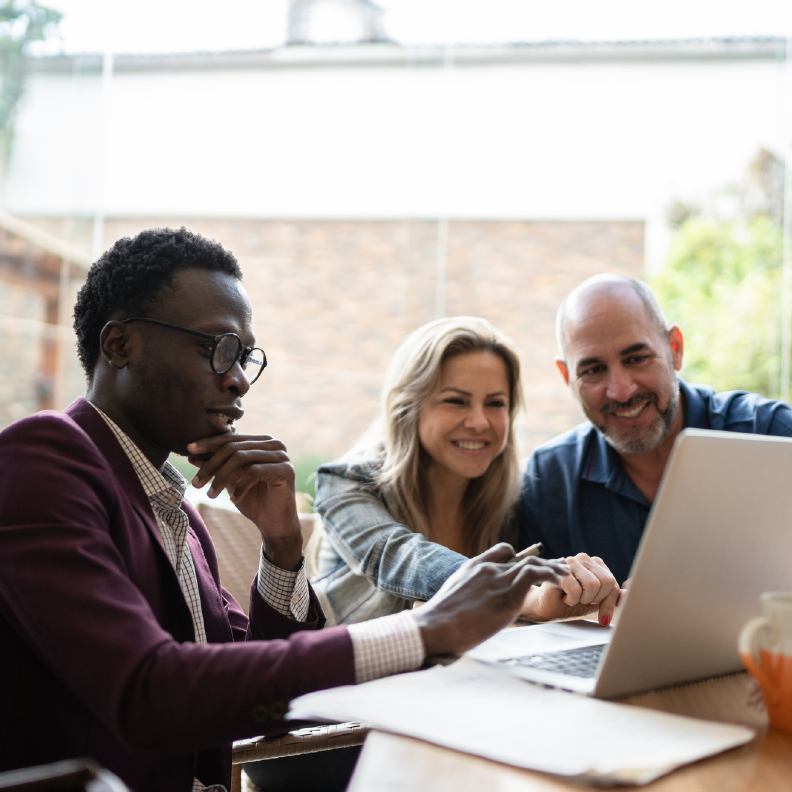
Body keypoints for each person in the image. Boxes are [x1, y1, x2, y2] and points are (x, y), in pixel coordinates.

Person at [0, 229, 569, 791]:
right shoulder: (42, 459)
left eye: (245, 356)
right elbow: (152, 692)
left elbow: (256, 687)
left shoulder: (174, 512)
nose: (239, 378)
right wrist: (426, 629)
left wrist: (282, 546)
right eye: (217, 348)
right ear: (120, 345)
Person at [313, 317, 621, 626]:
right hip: (348, 671)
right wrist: (523, 595)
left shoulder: (514, 498)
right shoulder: (345, 483)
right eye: (456, 401)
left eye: (495, 403)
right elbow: (400, 559)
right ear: (409, 408)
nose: (479, 422)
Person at [520, 273, 792, 585]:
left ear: (675, 348)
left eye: (636, 358)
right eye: (593, 370)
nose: (621, 391)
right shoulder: (549, 480)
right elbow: (524, 615)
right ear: (567, 377)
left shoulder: (770, 433)